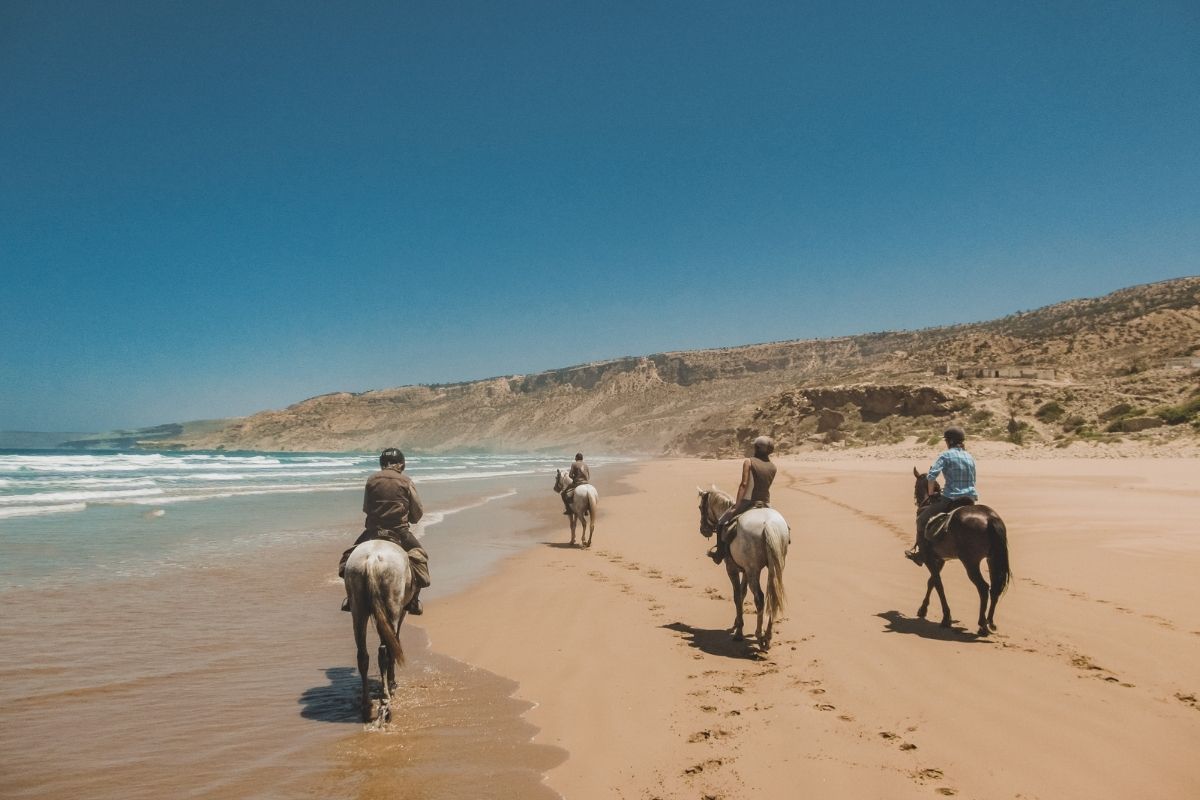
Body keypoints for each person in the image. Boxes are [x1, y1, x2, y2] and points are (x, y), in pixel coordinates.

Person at [339, 448, 430, 614]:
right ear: (401, 464)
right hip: (399, 531)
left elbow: (366, 508)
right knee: (420, 559)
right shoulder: (406, 481)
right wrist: (409, 517)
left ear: (382, 464)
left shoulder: (371, 480)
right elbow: (417, 513)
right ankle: (414, 601)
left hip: (373, 531)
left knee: (346, 561)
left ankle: (351, 600)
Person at [905, 426, 978, 566]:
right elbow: (973, 478)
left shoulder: (946, 455)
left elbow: (931, 476)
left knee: (921, 519)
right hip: (970, 499)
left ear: (949, 441)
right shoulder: (969, 456)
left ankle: (921, 555)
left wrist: (931, 494)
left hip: (951, 498)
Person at [709, 436, 777, 564]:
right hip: (766, 503)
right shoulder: (773, 467)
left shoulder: (748, 462)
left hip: (748, 501)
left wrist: (737, 505)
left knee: (721, 523)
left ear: (756, 448)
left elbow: (744, 485)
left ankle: (719, 554)